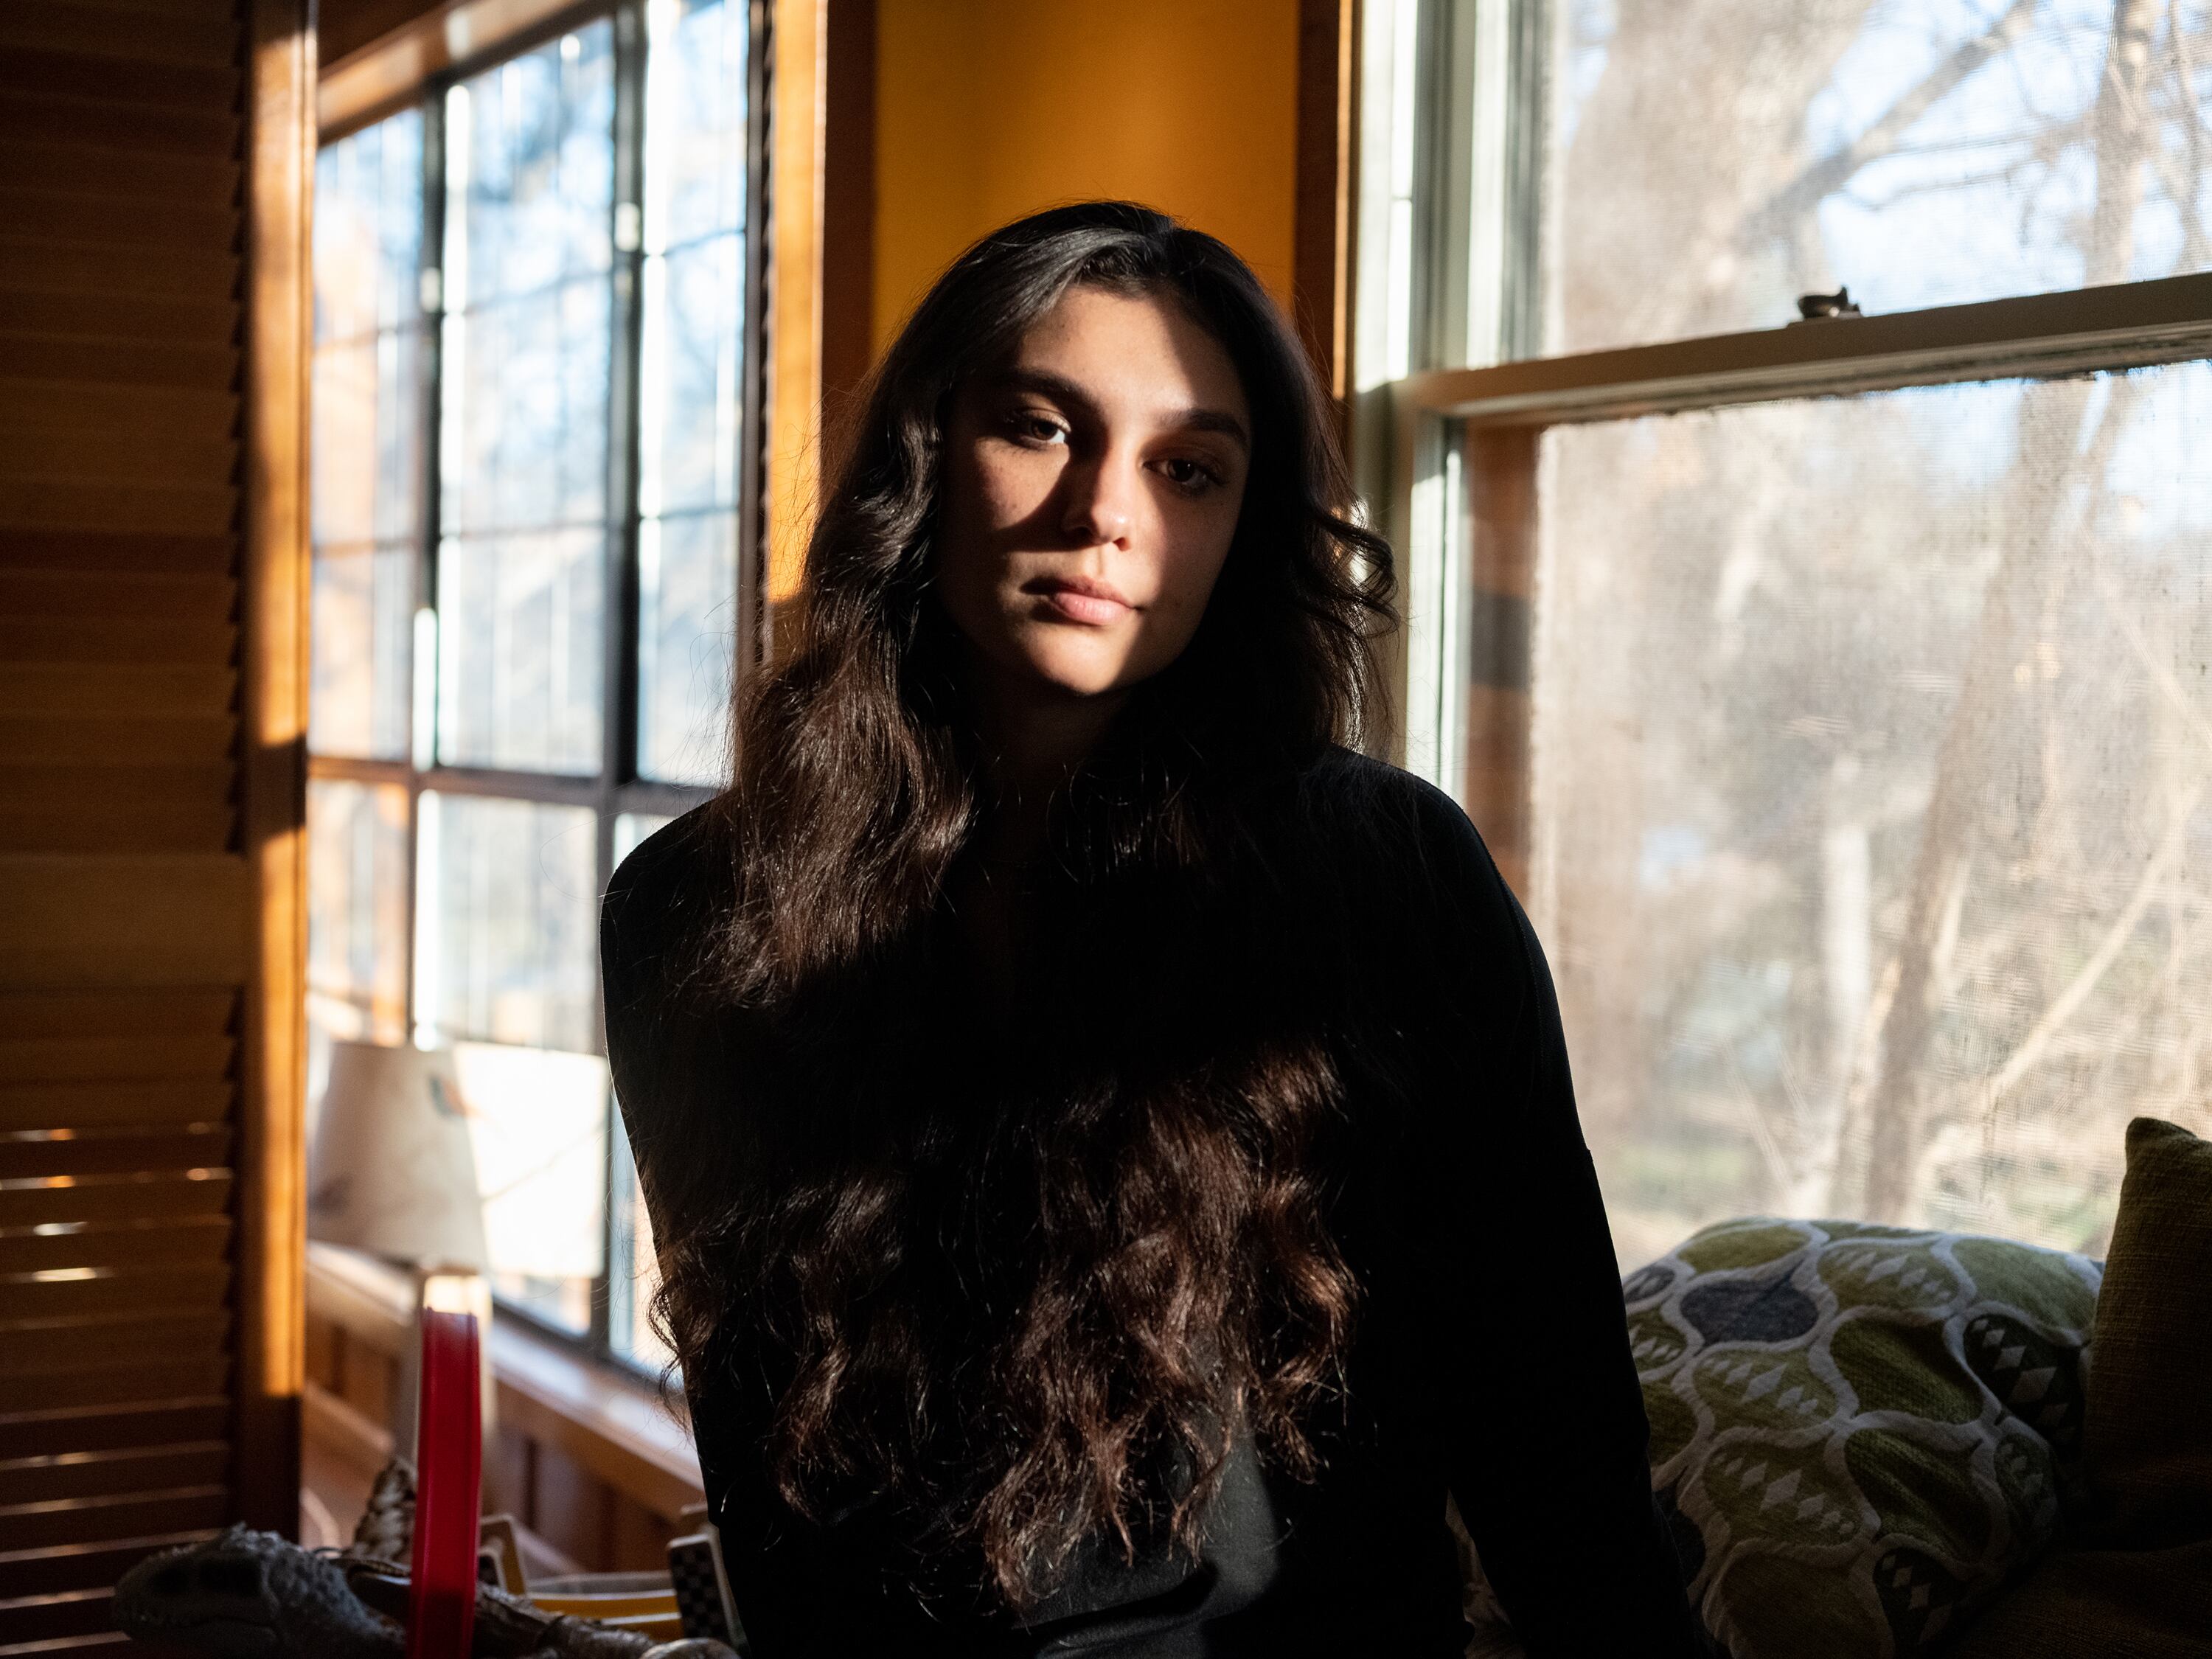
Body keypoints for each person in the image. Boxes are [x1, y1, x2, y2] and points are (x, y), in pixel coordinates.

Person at [601, 201, 1708, 1658]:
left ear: (1242, 532)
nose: (1108, 511)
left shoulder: (1391, 883)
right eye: (1042, 427)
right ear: (927, 460)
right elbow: (770, 1494)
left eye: (1188, 469)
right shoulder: (696, 911)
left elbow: (1559, 1471)